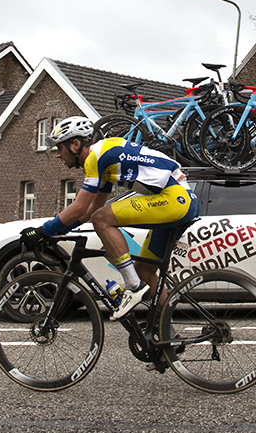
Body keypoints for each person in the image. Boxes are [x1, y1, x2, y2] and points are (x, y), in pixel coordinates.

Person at [20, 117, 199, 320]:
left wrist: (43, 231)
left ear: (75, 144)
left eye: (60, 148)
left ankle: (133, 286)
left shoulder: (95, 157)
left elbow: (80, 207)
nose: (58, 155)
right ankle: (167, 335)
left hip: (175, 199)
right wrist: (58, 231)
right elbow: (89, 210)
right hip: (181, 200)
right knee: (145, 271)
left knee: (102, 220)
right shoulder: (104, 158)